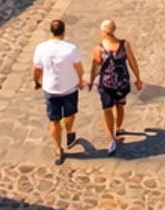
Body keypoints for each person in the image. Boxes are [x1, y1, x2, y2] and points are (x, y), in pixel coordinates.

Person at [31, 16, 87, 160]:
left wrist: (36, 81)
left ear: (50, 31)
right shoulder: (71, 48)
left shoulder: (41, 48)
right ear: (63, 32)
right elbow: (79, 67)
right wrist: (80, 80)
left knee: (54, 120)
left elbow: (37, 69)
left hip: (50, 88)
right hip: (69, 87)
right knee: (70, 113)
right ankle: (69, 131)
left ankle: (58, 147)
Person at [91, 18, 142, 154]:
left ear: (103, 31)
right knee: (119, 106)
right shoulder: (124, 45)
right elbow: (132, 62)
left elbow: (96, 65)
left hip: (106, 84)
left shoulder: (99, 47)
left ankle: (112, 137)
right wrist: (138, 78)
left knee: (107, 110)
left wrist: (91, 79)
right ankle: (118, 127)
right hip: (121, 82)